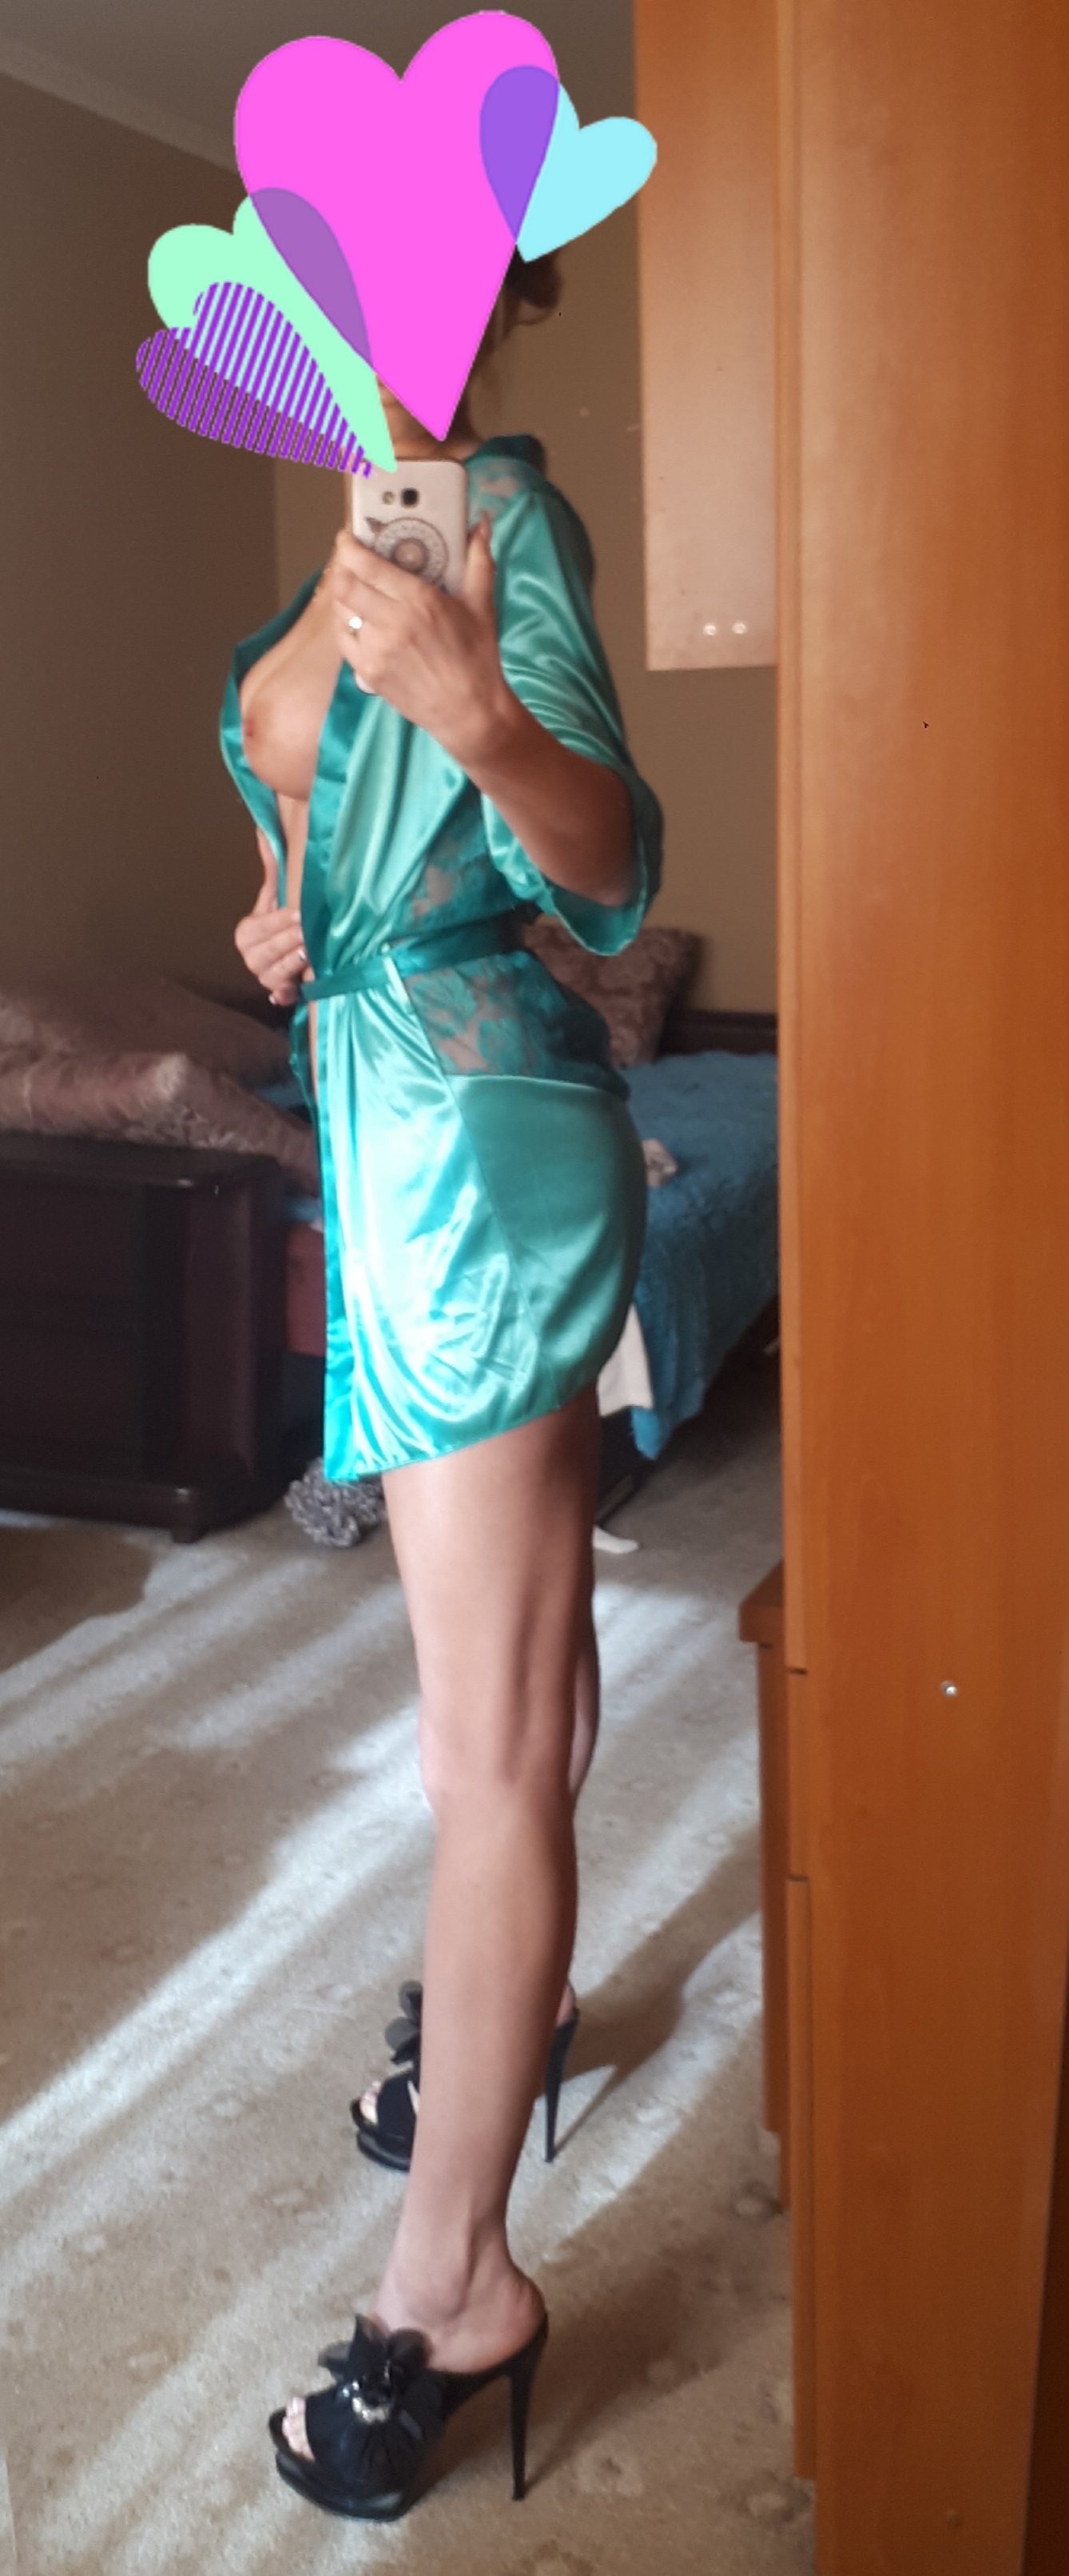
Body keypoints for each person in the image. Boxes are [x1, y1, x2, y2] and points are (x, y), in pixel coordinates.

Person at [223, 251, 662, 2524]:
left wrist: (483, 712)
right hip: (383, 1133)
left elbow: (609, 866)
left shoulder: (505, 525)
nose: (382, 338)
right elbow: (315, 867)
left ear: (481, 314)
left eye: (424, 289)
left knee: (476, 1749)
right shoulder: (314, 572)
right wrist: (280, 922)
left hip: (481, 1152)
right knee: (522, 1678)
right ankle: (521, 2019)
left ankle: (454, 2285)